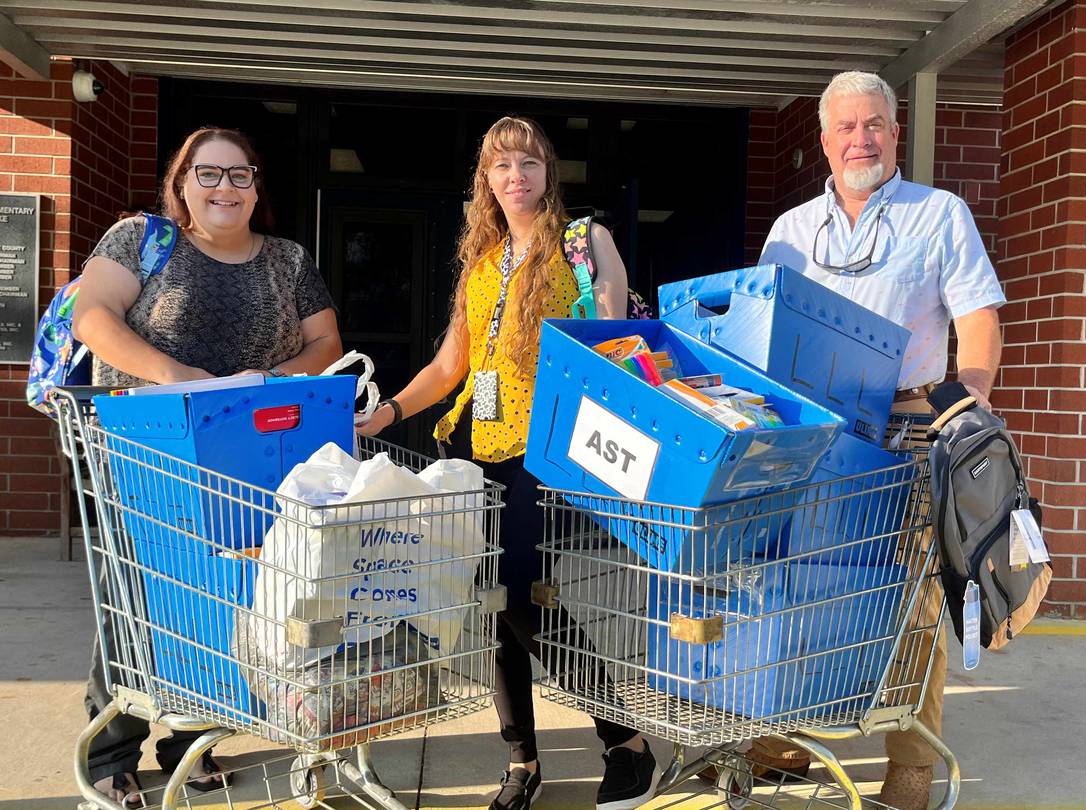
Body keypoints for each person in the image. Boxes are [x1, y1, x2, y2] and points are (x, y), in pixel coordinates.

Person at [359, 116, 655, 810]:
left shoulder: (583, 242)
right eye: (500, 167)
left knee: (518, 592)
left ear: (548, 172)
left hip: (548, 446)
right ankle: (521, 761)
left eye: (527, 163)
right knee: (495, 606)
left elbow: (611, 339)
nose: (514, 176)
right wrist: (389, 412)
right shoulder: (482, 263)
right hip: (482, 441)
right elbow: (452, 366)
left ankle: (624, 739)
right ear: (484, 182)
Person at [753, 71, 1005, 810]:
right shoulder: (792, 231)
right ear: (824, 141)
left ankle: (912, 764)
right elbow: (765, 328)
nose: (860, 139)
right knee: (798, 585)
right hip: (813, 435)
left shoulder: (939, 215)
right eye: (846, 128)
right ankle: (787, 741)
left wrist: (973, 396)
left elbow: (979, 318)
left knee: (917, 600)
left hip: (907, 430)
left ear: (896, 134)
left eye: (875, 125)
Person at [72, 126, 343, 806]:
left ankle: (188, 740)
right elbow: (93, 316)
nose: (225, 188)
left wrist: (267, 380)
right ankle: (113, 751)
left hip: (245, 448)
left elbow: (325, 340)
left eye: (240, 175)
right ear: (182, 183)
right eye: (209, 174)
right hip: (147, 444)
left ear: (257, 187)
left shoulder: (287, 260)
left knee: (225, 597)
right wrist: (180, 377)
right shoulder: (141, 239)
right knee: (139, 597)